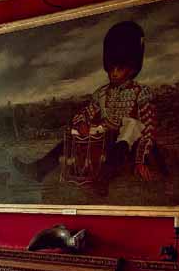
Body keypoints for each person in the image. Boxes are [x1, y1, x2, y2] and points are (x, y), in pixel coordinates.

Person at [15, 20, 160, 193]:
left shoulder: (141, 92)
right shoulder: (102, 93)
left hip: (127, 145)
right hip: (104, 138)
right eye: (111, 67)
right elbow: (86, 112)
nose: (113, 73)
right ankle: (39, 170)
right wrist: (82, 123)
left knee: (130, 127)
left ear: (131, 67)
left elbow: (148, 130)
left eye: (120, 68)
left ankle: (102, 180)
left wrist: (140, 161)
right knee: (71, 138)